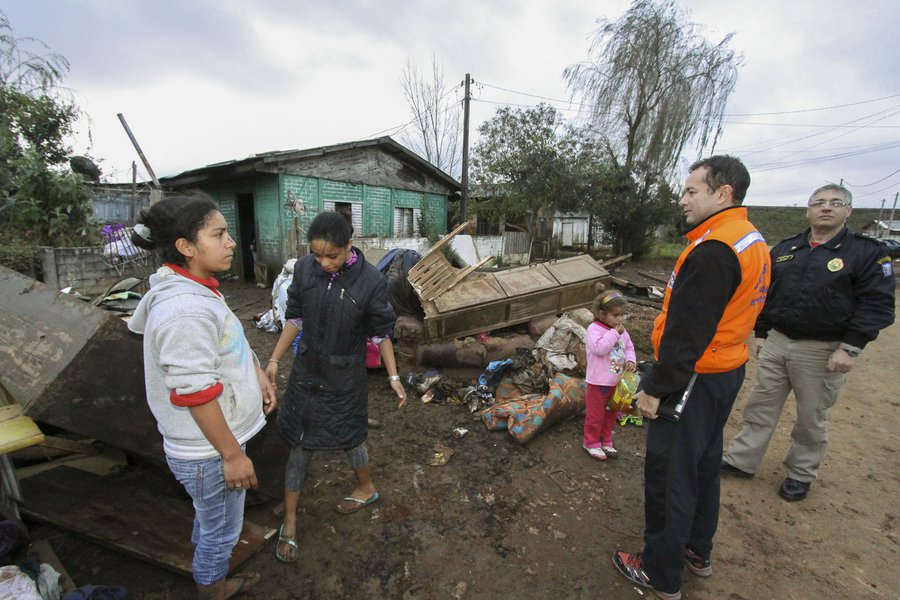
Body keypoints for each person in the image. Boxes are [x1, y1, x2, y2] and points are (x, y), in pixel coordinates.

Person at [612, 156, 771, 600]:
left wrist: (655, 390)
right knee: (703, 466)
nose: (682, 199)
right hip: (726, 371)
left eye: (691, 191)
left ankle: (659, 571)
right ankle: (697, 550)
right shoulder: (751, 240)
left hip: (694, 378)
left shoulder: (714, 251)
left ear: (723, 194)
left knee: (670, 475)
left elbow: (687, 335)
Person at [128, 194, 277, 600]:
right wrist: (232, 455)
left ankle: (208, 570)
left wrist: (257, 374)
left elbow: (225, 346)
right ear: (186, 247)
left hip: (210, 446)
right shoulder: (184, 310)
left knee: (211, 519)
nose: (231, 242)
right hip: (209, 453)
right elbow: (194, 392)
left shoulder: (197, 288)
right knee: (222, 534)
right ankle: (213, 589)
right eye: (219, 234)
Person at [722, 184, 895, 501]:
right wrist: (761, 333)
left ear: (848, 211)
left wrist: (850, 347)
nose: (826, 207)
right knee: (759, 406)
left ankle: (800, 474)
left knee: (811, 417)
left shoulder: (866, 252)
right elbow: (766, 293)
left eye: (835, 202)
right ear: (808, 210)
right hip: (778, 341)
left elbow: (877, 305)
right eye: (819, 202)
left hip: (823, 350)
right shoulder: (787, 250)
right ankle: (741, 460)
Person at [265, 211, 406, 564]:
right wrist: (274, 360)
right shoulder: (304, 271)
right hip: (307, 370)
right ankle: (291, 520)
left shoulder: (371, 281)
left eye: (333, 256)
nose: (324, 263)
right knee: (300, 441)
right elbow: (295, 318)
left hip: (345, 375)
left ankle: (366, 487)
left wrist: (393, 377)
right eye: (317, 255)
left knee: (351, 435)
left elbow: (380, 333)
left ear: (349, 246)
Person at [583, 289, 636, 461]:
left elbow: (628, 347)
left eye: (622, 315)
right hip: (598, 381)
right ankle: (590, 442)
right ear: (601, 314)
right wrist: (614, 334)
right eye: (615, 315)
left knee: (612, 413)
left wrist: (631, 360)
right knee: (595, 414)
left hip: (617, 382)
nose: (620, 319)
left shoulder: (622, 331)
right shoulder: (594, 329)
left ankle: (605, 440)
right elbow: (599, 349)